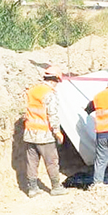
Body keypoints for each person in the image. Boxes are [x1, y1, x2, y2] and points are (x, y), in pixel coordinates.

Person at [23, 66, 67, 198]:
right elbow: (52, 114)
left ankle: (32, 189)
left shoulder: (32, 90)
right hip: (44, 135)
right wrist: (57, 132)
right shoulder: (49, 93)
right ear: (55, 80)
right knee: (52, 161)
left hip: (29, 133)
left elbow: (25, 111)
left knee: (32, 162)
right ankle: (56, 187)